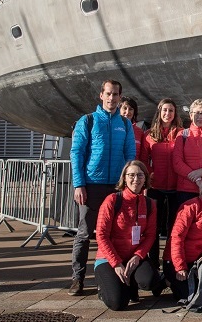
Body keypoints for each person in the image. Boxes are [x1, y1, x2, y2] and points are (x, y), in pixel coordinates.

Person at [69, 79, 136, 296]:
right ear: (101, 95)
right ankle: (77, 278)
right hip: (92, 185)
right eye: (108, 93)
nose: (112, 98)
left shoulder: (125, 124)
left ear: (119, 97)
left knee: (114, 234)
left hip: (116, 187)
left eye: (115, 94)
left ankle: (107, 279)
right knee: (84, 233)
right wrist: (79, 184)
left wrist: (128, 185)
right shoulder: (88, 121)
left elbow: (130, 155)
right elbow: (76, 153)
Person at [94, 160, 163, 310]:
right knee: (118, 303)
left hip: (133, 256)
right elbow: (101, 235)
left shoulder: (150, 204)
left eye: (140, 175)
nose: (136, 179)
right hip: (109, 258)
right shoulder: (112, 200)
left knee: (150, 281)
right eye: (131, 175)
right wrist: (116, 263)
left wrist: (138, 256)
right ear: (124, 178)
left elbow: (150, 235)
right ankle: (104, 287)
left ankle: (129, 284)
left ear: (145, 179)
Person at [140, 98, 183, 266]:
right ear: (159, 112)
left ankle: (170, 261)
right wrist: (150, 173)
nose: (167, 113)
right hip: (155, 187)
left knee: (174, 227)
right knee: (154, 227)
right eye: (165, 110)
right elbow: (143, 160)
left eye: (171, 110)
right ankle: (153, 263)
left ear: (175, 113)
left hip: (176, 187)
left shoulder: (181, 134)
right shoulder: (149, 135)